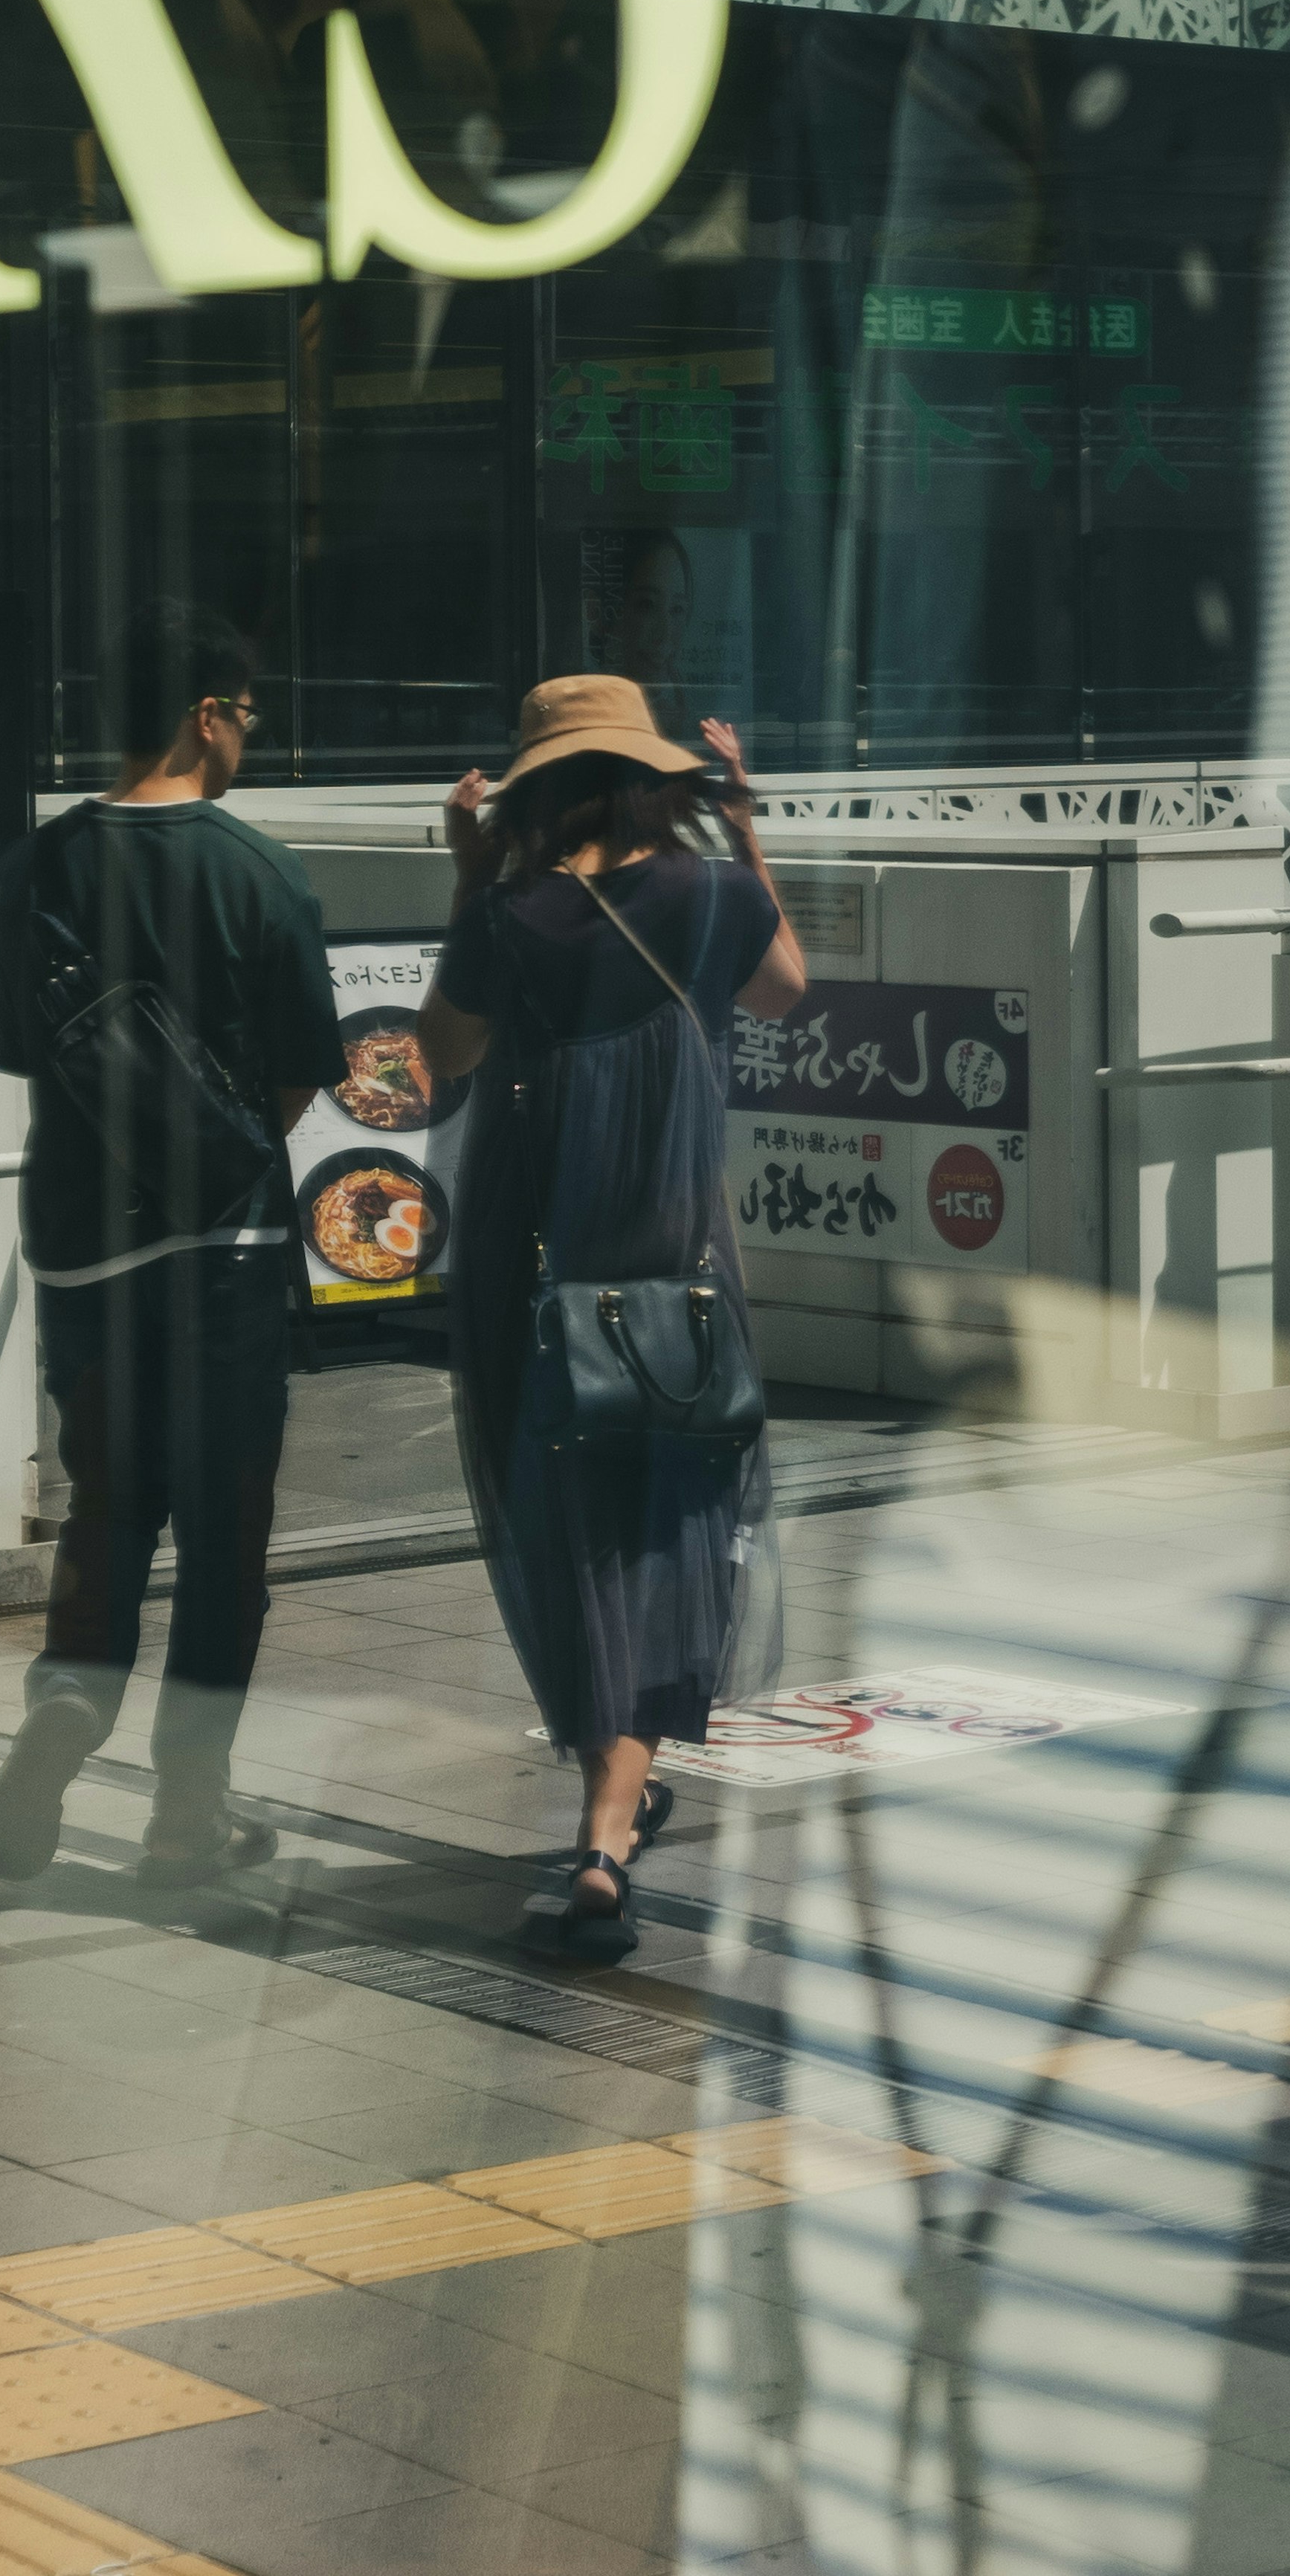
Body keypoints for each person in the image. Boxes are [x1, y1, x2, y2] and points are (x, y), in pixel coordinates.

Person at [420, 671, 805, 1960]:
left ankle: (604, 1824)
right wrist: (746, 827)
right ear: (652, 781)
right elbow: (788, 989)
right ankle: (606, 1825)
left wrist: (473, 880)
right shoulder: (715, 895)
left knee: (571, 1535)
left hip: (532, 1272)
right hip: (676, 1270)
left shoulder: (513, 911)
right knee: (666, 1530)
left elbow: (444, 1061)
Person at [0, 598, 344, 1888]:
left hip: (81, 1251)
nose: (250, 733)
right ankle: (188, 1813)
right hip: (224, 1253)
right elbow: (301, 1080)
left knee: (109, 1509)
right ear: (204, 716)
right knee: (223, 1540)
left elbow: (31, 1059)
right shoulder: (260, 873)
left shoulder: (37, 872)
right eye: (245, 712)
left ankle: (68, 1713)